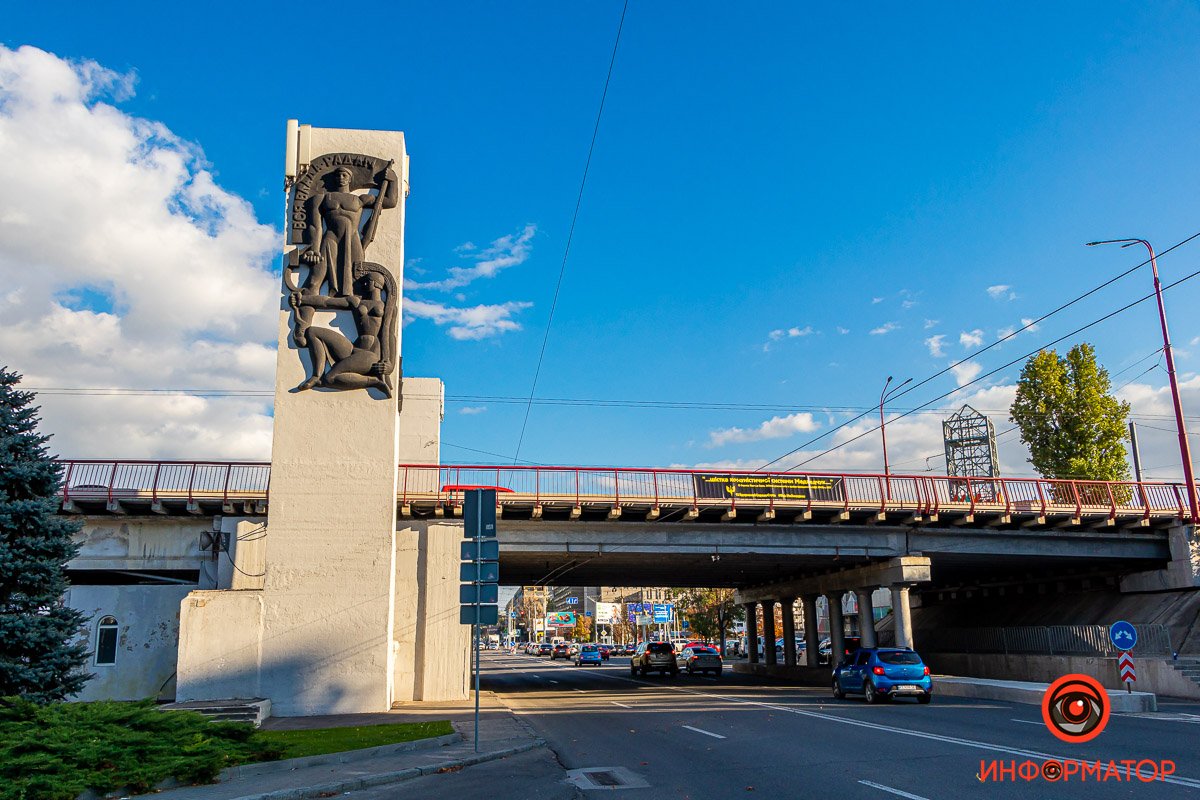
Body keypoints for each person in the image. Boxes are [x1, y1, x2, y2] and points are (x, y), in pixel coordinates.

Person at [290, 264, 398, 396]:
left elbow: (390, 335)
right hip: (354, 348)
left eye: (367, 282)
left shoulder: (388, 308)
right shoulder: (356, 301)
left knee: (330, 379)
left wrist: (390, 365)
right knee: (312, 332)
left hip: (371, 354)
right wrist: (302, 299)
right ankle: (317, 375)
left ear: (376, 284)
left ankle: (374, 382)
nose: (364, 285)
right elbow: (327, 301)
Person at [302, 165, 398, 297]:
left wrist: (393, 180)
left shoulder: (360, 199)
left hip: (352, 238)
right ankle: (306, 303)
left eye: (344, 175)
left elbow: (390, 202)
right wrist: (314, 249)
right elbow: (315, 226)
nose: (341, 178)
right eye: (338, 175)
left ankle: (357, 306)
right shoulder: (322, 198)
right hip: (331, 237)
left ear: (350, 179)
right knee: (317, 274)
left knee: (356, 276)